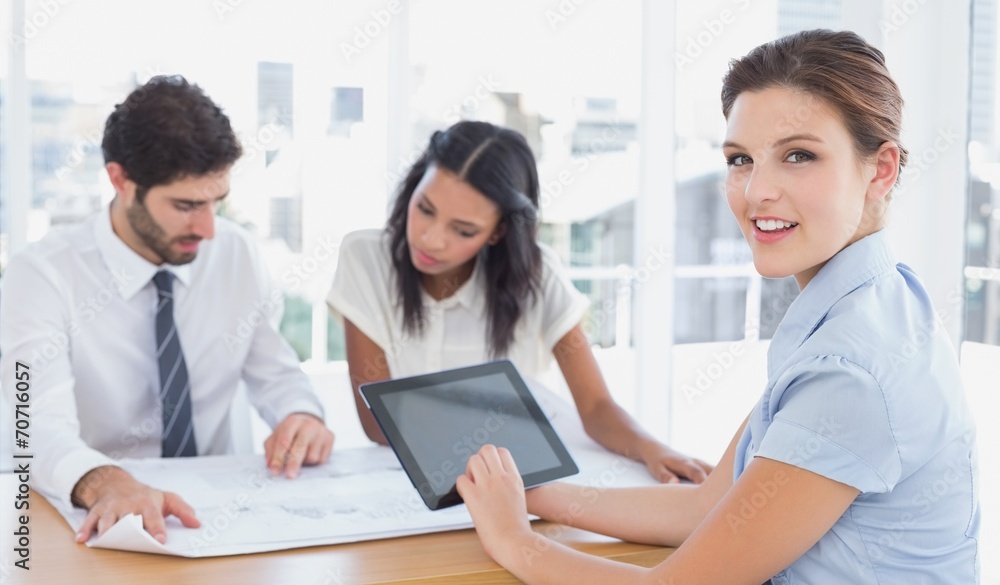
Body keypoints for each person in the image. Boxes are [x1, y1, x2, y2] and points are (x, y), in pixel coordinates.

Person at [453, 29, 980, 584]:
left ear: (882, 169)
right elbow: (710, 505)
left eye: (799, 155)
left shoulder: (850, 372)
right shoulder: (867, 301)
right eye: (740, 159)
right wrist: (530, 494)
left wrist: (514, 539)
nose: (756, 192)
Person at [0, 75, 335, 545]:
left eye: (216, 203)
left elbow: (276, 374)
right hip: (107, 522)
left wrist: (302, 416)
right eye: (185, 205)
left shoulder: (237, 253)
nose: (208, 228)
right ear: (120, 180)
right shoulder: (40, 275)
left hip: (228, 519)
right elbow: (28, 425)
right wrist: (107, 481)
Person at [327, 120, 711, 484]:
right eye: (425, 208)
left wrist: (651, 449)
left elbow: (594, 408)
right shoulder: (365, 257)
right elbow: (377, 424)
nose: (431, 239)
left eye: (463, 229)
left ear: (498, 232)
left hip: (515, 484)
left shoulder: (538, 276)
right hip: (408, 486)